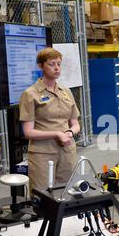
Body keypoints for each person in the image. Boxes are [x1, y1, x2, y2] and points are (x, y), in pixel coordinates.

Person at [19, 47, 81, 194]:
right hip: (43, 153)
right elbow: (28, 132)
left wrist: (70, 132)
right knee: (43, 195)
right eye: (52, 64)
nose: (57, 68)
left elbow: (76, 123)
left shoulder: (66, 92)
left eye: (59, 64)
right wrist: (56, 134)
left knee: (67, 193)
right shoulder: (30, 94)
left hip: (67, 150)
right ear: (41, 66)